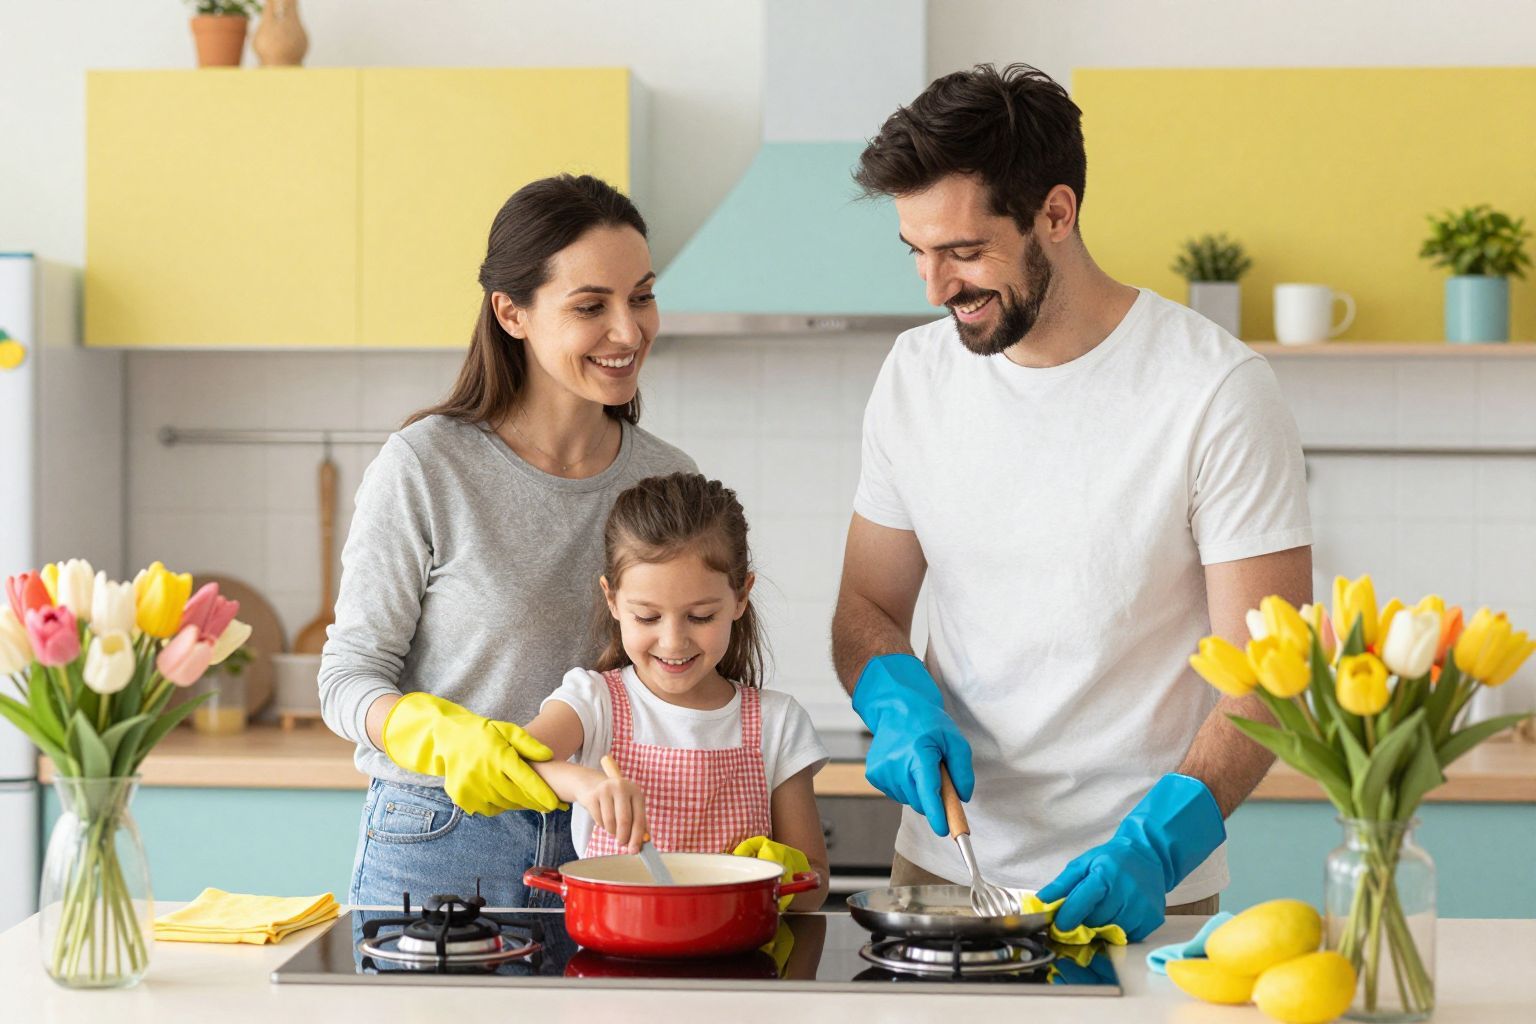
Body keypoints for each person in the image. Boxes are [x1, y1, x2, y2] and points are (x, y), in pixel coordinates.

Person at [832, 64, 1312, 940]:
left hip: (1142, 889)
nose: (935, 289)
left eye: (965, 253)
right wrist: (893, 697)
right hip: (946, 869)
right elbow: (866, 607)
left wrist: (1157, 849)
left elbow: (1270, 682)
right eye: (918, 252)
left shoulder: (1215, 391)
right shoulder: (913, 376)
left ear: (1056, 213)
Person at [319, 174, 697, 909]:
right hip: (443, 842)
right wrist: (444, 738)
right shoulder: (428, 465)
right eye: (591, 306)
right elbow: (347, 678)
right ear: (512, 313)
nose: (629, 330)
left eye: (642, 296)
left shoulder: (668, 477)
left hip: (620, 844)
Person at [522, 472, 830, 911]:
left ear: (741, 597)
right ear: (612, 600)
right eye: (647, 617)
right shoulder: (595, 702)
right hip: (616, 955)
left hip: (739, 961)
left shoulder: (777, 722)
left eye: (701, 616)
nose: (673, 642)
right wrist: (583, 785)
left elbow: (813, 889)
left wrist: (781, 873)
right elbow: (517, 761)